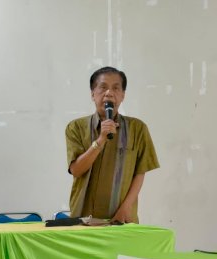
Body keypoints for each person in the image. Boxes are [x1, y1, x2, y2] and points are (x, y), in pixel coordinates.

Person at [65, 66, 159, 223]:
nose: (109, 93)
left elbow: (140, 172)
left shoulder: (137, 129)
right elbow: (76, 170)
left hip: (122, 218)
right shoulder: (76, 127)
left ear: (122, 96)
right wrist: (100, 140)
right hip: (84, 219)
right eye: (102, 87)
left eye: (116, 88)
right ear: (93, 94)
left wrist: (126, 208)